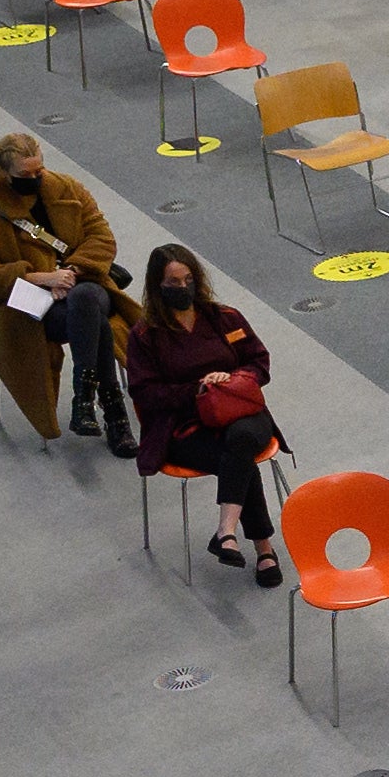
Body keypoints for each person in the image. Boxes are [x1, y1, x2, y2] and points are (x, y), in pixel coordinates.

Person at [119, 242, 289, 588]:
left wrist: (233, 379)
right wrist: (196, 390)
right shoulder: (145, 337)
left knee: (239, 441)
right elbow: (144, 393)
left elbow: (259, 362)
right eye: (174, 283)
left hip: (239, 409)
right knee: (237, 455)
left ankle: (227, 531)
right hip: (184, 426)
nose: (184, 288)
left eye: (188, 279)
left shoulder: (225, 317)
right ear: (158, 287)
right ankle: (263, 548)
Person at [0, 128, 128, 442]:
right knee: (96, 324)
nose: (36, 177)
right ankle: (114, 415)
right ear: (3, 174)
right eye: (26, 173)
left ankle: (84, 397)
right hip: (27, 300)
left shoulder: (66, 188)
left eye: (40, 169)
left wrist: (72, 272)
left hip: (84, 283)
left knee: (85, 299)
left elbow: (102, 238)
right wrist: (43, 278)